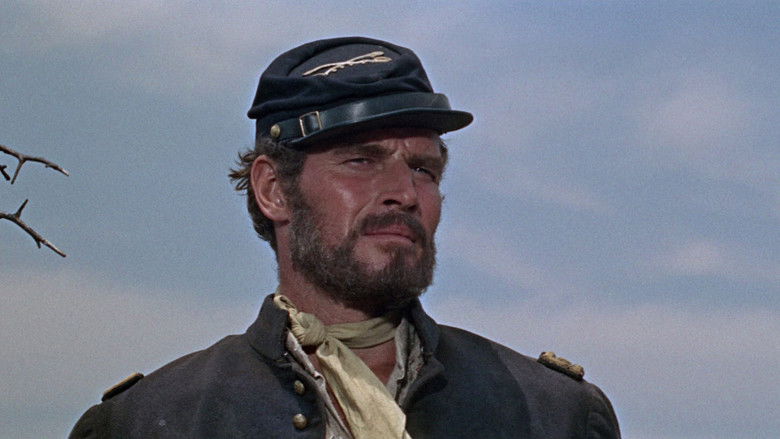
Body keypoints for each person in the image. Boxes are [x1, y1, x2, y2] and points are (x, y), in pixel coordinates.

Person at [70, 36, 620, 438]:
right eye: (361, 161)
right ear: (273, 191)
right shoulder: (149, 422)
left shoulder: (554, 415)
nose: (405, 193)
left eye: (424, 169)